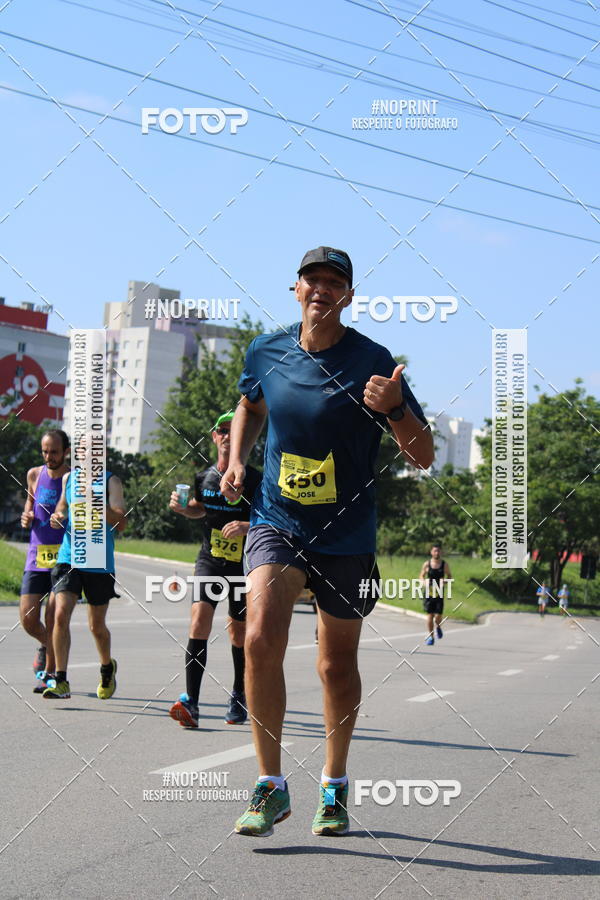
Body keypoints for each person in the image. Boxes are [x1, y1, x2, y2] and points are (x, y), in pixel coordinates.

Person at [221, 246, 433, 837]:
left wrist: (394, 412)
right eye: (311, 279)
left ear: (347, 296)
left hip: (347, 534)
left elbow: (422, 456)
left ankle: (334, 786)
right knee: (260, 634)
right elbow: (248, 405)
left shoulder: (374, 361)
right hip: (277, 521)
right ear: (295, 290)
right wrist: (238, 457)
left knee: (335, 665)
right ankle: (270, 786)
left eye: (333, 281)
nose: (321, 288)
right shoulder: (266, 349)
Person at [168, 412, 261, 729]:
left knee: (237, 631)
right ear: (214, 437)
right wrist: (185, 509)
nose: (226, 435)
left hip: (243, 564)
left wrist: (247, 525)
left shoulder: (256, 478)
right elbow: (200, 509)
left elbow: (273, 517)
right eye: (221, 430)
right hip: (209, 559)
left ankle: (238, 694)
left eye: (231, 430)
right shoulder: (204, 477)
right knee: (199, 619)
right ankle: (191, 702)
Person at [43, 447, 126, 699]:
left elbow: (121, 522)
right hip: (69, 557)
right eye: (81, 452)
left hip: (98, 560)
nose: (85, 457)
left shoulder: (111, 481)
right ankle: (60, 680)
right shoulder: (69, 479)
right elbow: (61, 508)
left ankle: (106, 667)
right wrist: (57, 517)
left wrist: (99, 504)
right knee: (60, 614)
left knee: (96, 626)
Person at [20, 429, 70, 693]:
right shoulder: (34, 475)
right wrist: (26, 516)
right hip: (36, 555)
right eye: (45, 451)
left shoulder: (72, 479)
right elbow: (29, 506)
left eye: (54, 451)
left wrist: (65, 517)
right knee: (28, 617)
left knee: (53, 618)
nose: (49, 456)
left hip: (63, 557)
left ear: (65, 451)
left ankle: (50, 675)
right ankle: (45, 645)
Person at [419, 544, 452, 646]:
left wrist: (445, 581)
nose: (437, 553)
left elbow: (450, 576)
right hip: (429, 592)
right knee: (429, 615)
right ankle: (431, 637)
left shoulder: (444, 565)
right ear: (431, 552)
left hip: (439, 593)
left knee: (438, 616)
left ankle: (438, 626)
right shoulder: (427, 564)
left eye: (438, 551)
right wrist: (424, 582)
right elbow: (421, 576)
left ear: (441, 552)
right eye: (435, 551)